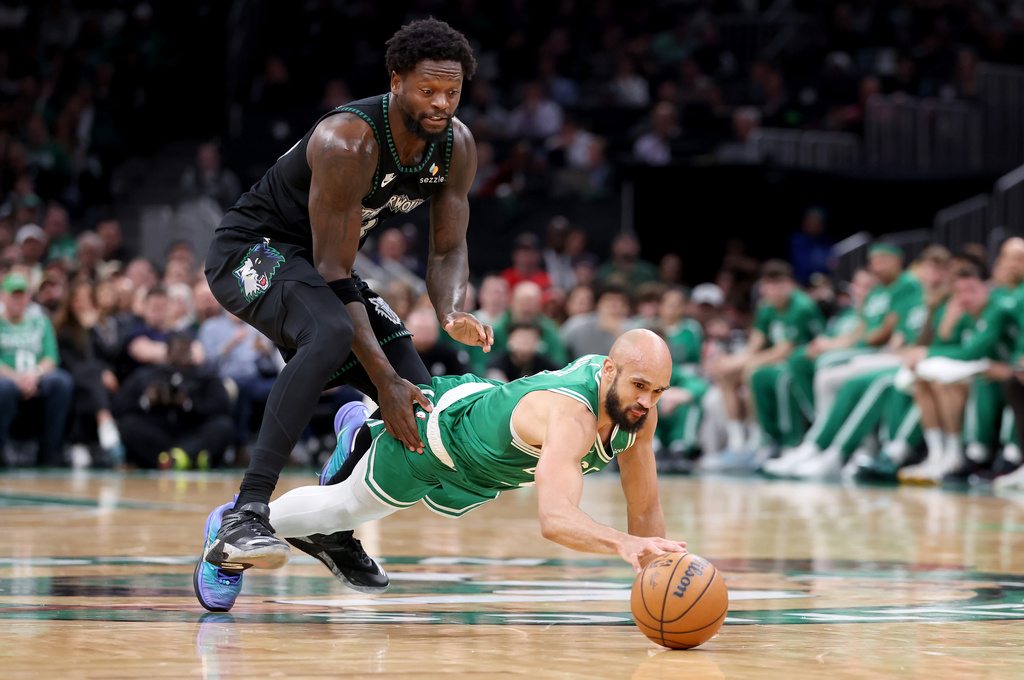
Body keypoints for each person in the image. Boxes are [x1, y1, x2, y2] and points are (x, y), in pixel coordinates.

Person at [195, 19, 493, 613]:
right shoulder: (348, 141)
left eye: (452, 93)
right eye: (427, 90)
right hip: (252, 253)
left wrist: (451, 307)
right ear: (396, 82)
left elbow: (447, 247)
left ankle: (325, 520)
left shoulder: (455, 145)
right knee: (335, 335)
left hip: (321, 264)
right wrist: (381, 381)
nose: (440, 104)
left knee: (424, 403)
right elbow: (333, 276)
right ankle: (241, 517)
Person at [220, 329, 684, 608]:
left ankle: (358, 432)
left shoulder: (637, 411)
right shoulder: (572, 416)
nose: (647, 401)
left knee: (410, 507)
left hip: (480, 470)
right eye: (640, 385)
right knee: (342, 511)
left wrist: (657, 580)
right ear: (608, 371)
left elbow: (645, 507)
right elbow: (555, 518)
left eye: (658, 391)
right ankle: (236, 524)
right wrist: (625, 545)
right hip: (438, 439)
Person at [0, 271, 74, 466]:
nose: (18, 299)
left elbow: (51, 357)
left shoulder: (40, 322)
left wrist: (34, 375)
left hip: (36, 377)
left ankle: (51, 451)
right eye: (13, 294)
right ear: (3, 296)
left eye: (22, 294)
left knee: (61, 382)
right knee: (4, 388)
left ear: (28, 297)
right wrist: (17, 378)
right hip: (8, 378)